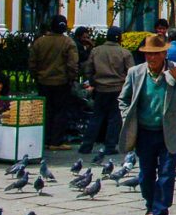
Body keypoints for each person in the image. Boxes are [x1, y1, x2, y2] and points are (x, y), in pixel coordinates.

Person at [118, 35, 176, 215]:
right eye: (148, 55)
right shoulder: (135, 73)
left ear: (164, 54)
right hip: (144, 132)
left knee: (166, 175)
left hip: (169, 132)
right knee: (146, 174)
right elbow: (123, 99)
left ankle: (160, 214)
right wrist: (127, 118)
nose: (152, 59)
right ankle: (150, 204)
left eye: (156, 54)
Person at [80, 25, 134, 155]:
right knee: (114, 119)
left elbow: (88, 69)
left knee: (96, 117)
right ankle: (110, 146)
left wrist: (93, 81)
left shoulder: (96, 51)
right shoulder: (124, 52)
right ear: (119, 38)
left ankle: (86, 146)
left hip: (100, 89)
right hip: (117, 89)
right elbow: (132, 72)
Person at [28, 14, 79, 150]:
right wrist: (71, 78)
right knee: (60, 112)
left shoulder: (40, 42)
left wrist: (36, 76)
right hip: (61, 82)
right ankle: (56, 142)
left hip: (43, 81)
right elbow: (72, 64)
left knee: (45, 111)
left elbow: (32, 62)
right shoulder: (68, 42)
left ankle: (45, 139)